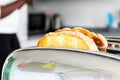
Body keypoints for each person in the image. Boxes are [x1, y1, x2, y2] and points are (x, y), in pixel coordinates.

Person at [0, 0, 31, 78]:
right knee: (4, 71)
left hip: (12, 33)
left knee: (17, 68)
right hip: (2, 34)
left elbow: (17, 6)